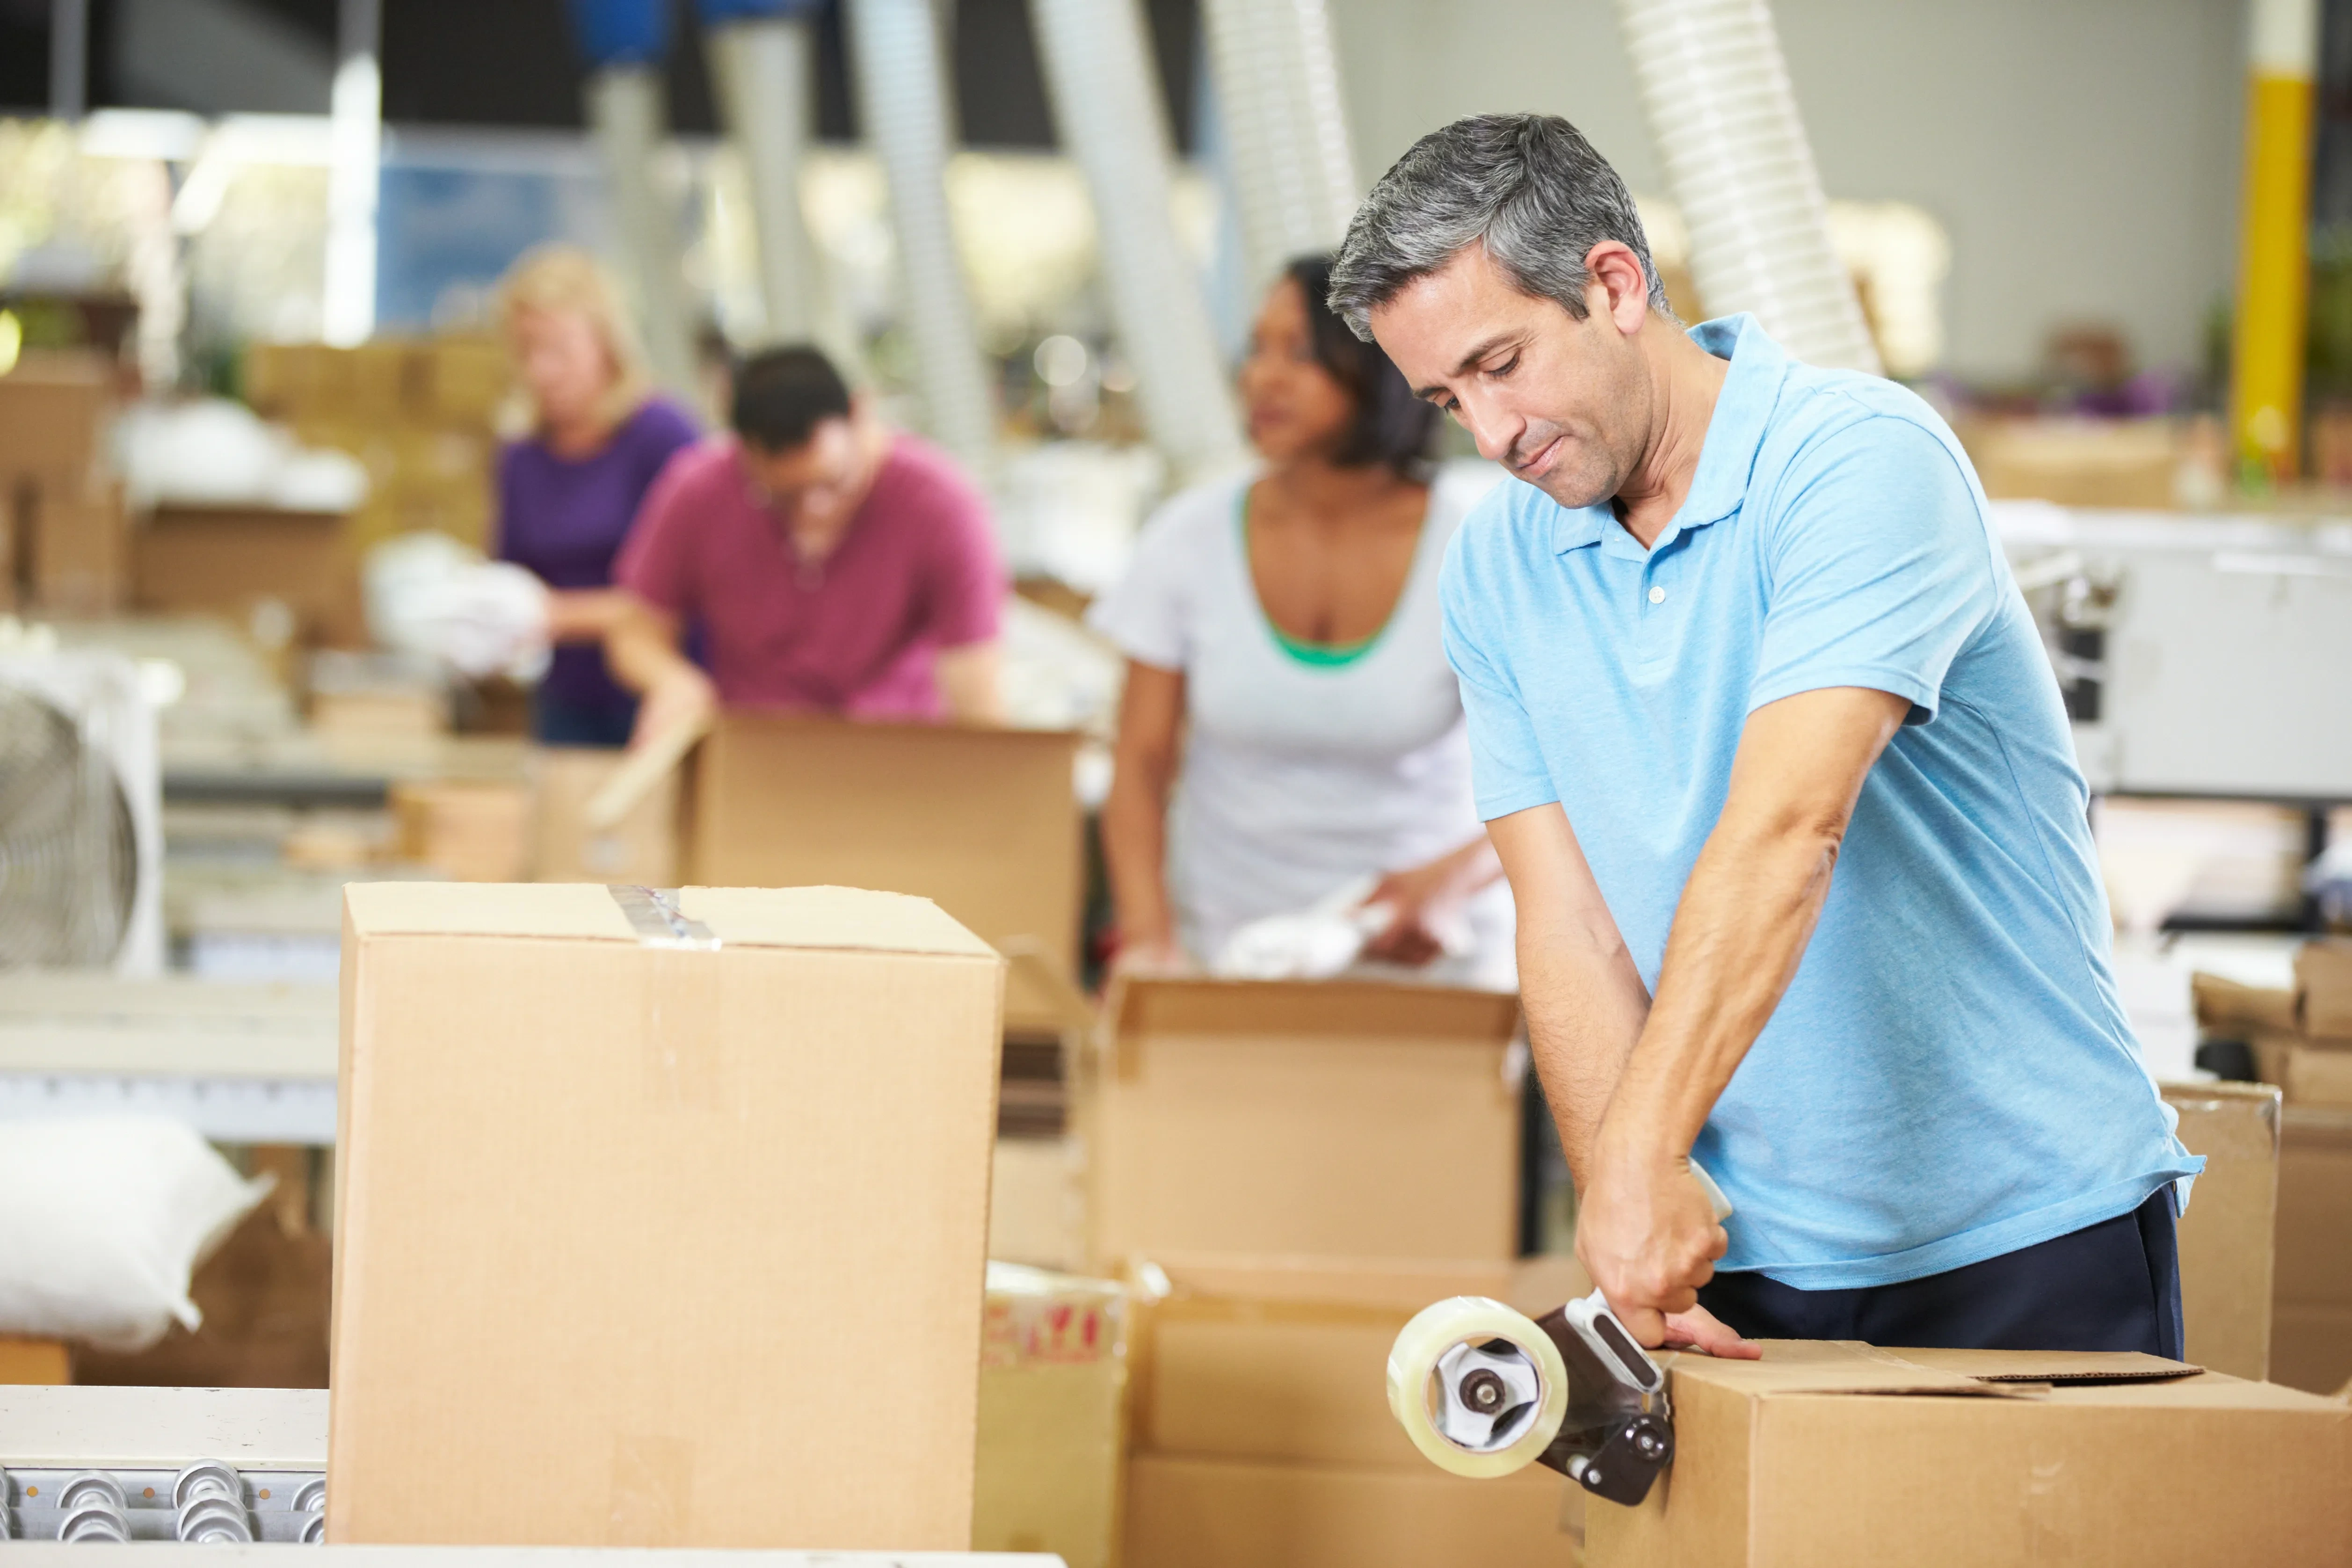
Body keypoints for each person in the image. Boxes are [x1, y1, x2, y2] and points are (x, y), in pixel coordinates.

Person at [1329, 114, 2200, 1357]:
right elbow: (1565, 922)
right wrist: (1628, 1210)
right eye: (1445, 397)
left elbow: (1790, 826)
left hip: (2022, 1238)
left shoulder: (1855, 461)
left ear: (1612, 285)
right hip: (1735, 1259)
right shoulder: (1494, 569)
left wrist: (1639, 1152)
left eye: (1501, 363)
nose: (1489, 433)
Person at [1090, 255, 1511, 987]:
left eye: (1302, 354)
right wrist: (1149, 938)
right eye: (1256, 349)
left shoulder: (1481, 550)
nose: (1262, 378)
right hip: (1228, 952)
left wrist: (1452, 879)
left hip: (1430, 955)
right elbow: (1139, 764)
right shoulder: (1186, 539)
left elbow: (1570, 776)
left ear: (1387, 366)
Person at [608, 346, 1007, 744]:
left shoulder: (944, 504)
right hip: (757, 754)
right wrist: (674, 681)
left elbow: (975, 686)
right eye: (784, 496)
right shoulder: (696, 492)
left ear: (860, 413)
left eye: (833, 483)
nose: (814, 511)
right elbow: (635, 633)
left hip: (897, 753)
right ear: (741, 451)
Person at [493, 246, 702, 746]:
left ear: (607, 344)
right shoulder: (520, 456)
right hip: (566, 699)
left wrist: (557, 616)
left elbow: (693, 590)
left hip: (659, 694)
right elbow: (515, 576)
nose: (542, 370)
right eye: (527, 351)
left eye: (558, 349)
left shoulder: (663, 437)